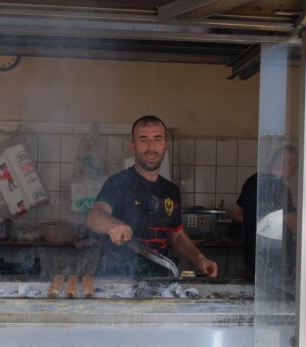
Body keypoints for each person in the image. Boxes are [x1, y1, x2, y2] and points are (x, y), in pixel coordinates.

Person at [86, 115, 217, 277]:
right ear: (133, 146)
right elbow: (94, 215)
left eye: (157, 139)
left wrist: (200, 259)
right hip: (117, 282)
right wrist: (112, 225)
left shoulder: (171, 191)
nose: (151, 147)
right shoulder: (118, 183)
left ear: (165, 145)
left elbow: (176, 236)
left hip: (158, 284)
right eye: (143, 140)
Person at [232, 144, 299, 282]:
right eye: (295, 167)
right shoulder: (279, 188)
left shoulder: (252, 181)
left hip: (252, 258)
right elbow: (294, 226)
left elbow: (236, 214)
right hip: (273, 261)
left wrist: (261, 220)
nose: (295, 172)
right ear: (285, 163)